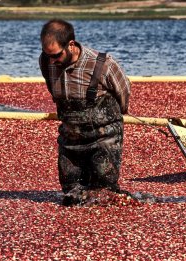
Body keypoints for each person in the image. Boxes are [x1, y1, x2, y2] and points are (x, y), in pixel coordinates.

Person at [39, 19, 131, 206]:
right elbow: (54, 91)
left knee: (104, 194)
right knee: (71, 195)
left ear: (71, 45)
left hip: (104, 138)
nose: (52, 61)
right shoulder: (46, 62)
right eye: (48, 55)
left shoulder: (104, 64)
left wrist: (119, 114)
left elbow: (123, 92)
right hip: (70, 139)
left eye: (56, 55)